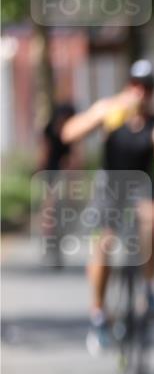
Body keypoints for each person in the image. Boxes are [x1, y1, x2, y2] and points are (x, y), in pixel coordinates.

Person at [61, 59, 154, 356]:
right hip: (110, 186)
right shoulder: (112, 112)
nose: (141, 93)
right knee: (104, 242)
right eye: (136, 85)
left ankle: (149, 290)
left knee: (150, 224)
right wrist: (107, 111)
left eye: (147, 88)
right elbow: (69, 133)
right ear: (129, 85)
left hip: (140, 186)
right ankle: (99, 313)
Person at [37, 103, 81, 266]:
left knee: (68, 204)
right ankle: (47, 236)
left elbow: (76, 156)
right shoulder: (49, 129)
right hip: (50, 170)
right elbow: (44, 152)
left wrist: (74, 176)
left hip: (65, 171)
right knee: (49, 205)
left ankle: (62, 233)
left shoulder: (73, 131)